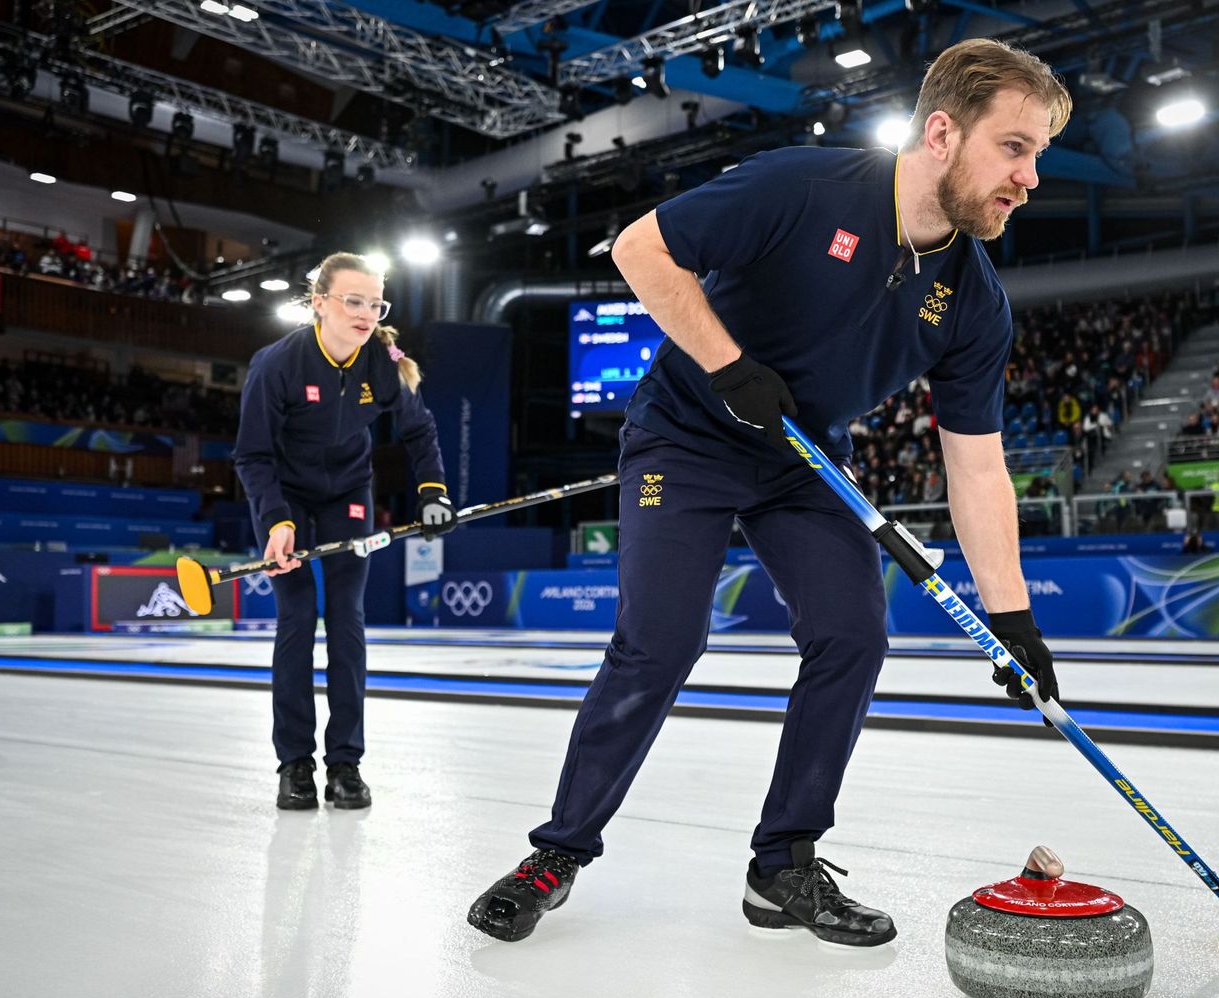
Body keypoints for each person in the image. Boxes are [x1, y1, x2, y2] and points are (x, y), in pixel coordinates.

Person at [468, 38, 1070, 947]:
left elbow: (976, 464)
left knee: (853, 634)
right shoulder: (805, 187)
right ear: (943, 133)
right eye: (1014, 148)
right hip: (688, 433)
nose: (1029, 178)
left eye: (1039, 155)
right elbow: (641, 249)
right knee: (661, 640)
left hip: (803, 459)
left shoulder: (975, 301)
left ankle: (782, 863)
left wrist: (1013, 620)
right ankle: (557, 853)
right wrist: (727, 365)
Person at [234, 252, 457, 812]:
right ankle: (294, 763)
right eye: (353, 301)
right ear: (319, 303)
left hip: (348, 494)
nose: (365, 314)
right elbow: (253, 455)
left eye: (375, 304)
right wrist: (276, 520)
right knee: (296, 616)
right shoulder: (277, 364)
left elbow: (420, 430)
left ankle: (345, 764)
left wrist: (433, 491)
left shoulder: (382, 360)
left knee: (347, 619)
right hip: (285, 496)